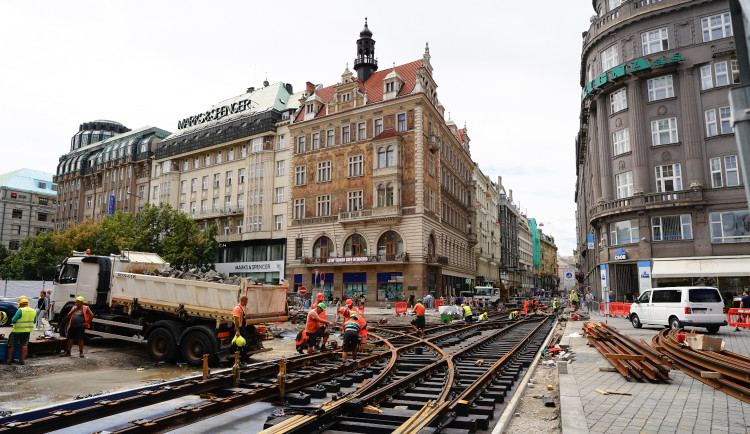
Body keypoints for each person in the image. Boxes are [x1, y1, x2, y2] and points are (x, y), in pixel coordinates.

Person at [3, 296, 35, 365]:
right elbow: (34, 321)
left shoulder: (20, 310)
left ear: (20, 304)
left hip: (17, 331)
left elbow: (13, 320)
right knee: (24, 345)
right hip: (27, 331)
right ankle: (22, 360)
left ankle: (9, 360)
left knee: (11, 344)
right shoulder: (33, 311)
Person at [232, 295, 250, 364]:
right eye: (246, 301)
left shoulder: (243, 308)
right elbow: (236, 321)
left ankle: (241, 361)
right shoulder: (237, 308)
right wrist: (237, 331)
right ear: (243, 300)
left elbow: (242, 318)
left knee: (245, 345)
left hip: (243, 329)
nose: (247, 302)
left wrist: (245, 323)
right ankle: (240, 361)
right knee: (241, 346)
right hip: (239, 329)